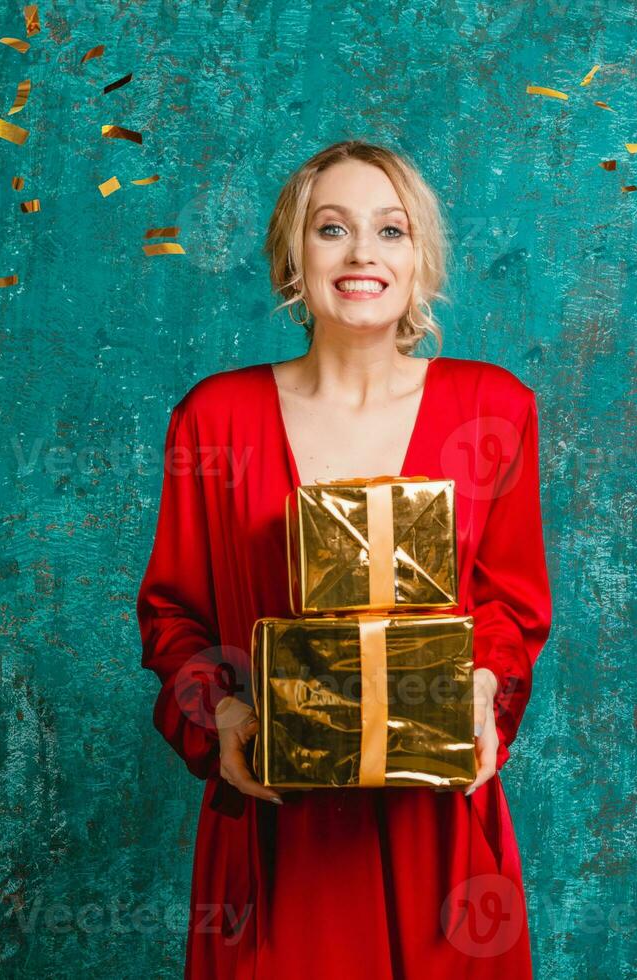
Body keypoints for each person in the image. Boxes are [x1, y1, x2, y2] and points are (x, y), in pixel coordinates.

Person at [138, 139, 552, 978]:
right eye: (333, 228)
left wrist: (480, 686)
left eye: (390, 230)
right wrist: (219, 716)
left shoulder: (493, 407)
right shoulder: (215, 417)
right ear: (295, 251)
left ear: (421, 257)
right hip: (277, 837)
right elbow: (173, 614)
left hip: (435, 837)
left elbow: (511, 607)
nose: (362, 252)